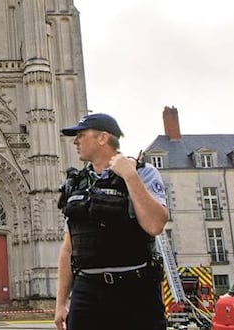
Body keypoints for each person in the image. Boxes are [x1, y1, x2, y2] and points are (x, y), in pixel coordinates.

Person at [54, 113, 169, 330]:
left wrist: (130, 176)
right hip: (86, 291)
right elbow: (68, 249)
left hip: (134, 290)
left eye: (81, 135)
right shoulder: (76, 183)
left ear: (103, 138)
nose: (75, 141)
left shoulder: (143, 173)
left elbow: (155, 225)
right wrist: (60, 303)